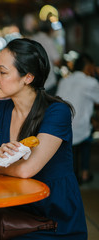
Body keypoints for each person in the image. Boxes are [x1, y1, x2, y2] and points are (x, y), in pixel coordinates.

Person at [0, 38, 87, 239]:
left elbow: (26, 170)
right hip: (12, 214)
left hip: (53, 220)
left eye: (3, 72)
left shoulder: (57, 112)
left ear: (28, 77)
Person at [56, 53, 99, 184]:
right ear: (89, 67)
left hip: (60, 124)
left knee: (71, 148)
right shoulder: (90, 82)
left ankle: (72, 174)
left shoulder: (64, 80)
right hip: (78, 125)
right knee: (86, 139)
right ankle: (84, 173)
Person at [30, 20, 61, 95]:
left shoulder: (32, 39)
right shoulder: (48, 40)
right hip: (48, 82)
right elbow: (57, 61)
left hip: (33, 83)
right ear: (50, 30)